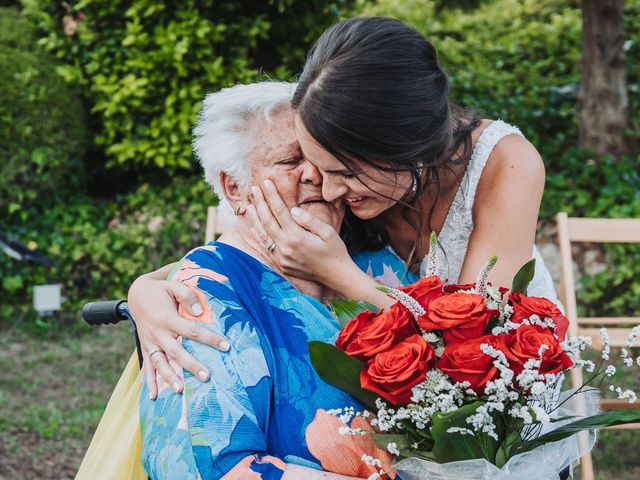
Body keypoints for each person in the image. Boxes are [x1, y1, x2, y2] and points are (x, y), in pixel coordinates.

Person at [128, 16, 559, 392]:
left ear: (404, 149)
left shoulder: (505, 164)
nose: (330, 191)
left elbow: (471, 345)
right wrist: (145, 289)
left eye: (346, 173)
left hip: (499, 397)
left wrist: (339, 274)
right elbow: (239, 252)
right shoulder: (359, 183)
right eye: (319, 167)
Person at [139, 81, 409, 479]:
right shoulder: (204, 298)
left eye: (322, 156)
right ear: (235, 188)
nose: (315, 174)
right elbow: (206, 468)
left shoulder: (377, 263)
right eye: (289, 160)